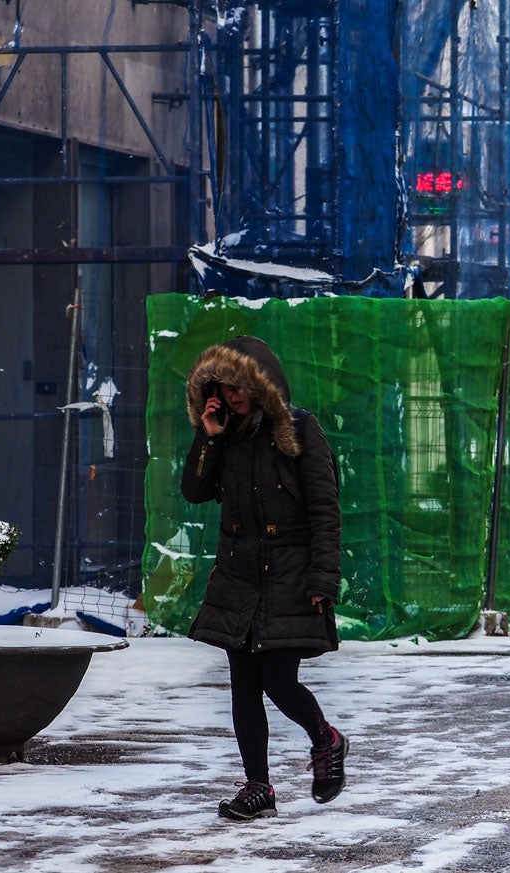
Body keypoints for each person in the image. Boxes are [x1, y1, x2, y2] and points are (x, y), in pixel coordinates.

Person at [180, 335, 348, 820]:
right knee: (242, 685)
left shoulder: (299, 429)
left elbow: (324, 509)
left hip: (291, 571)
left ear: (261, 385)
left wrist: (323, 579)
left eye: (239, 389)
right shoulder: (224, 433)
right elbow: (194, 490)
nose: (232, 398)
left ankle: (326, 740)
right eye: (223, 389)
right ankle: (259, 788)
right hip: (239, 572)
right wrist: (208, 434)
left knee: (279, 678)